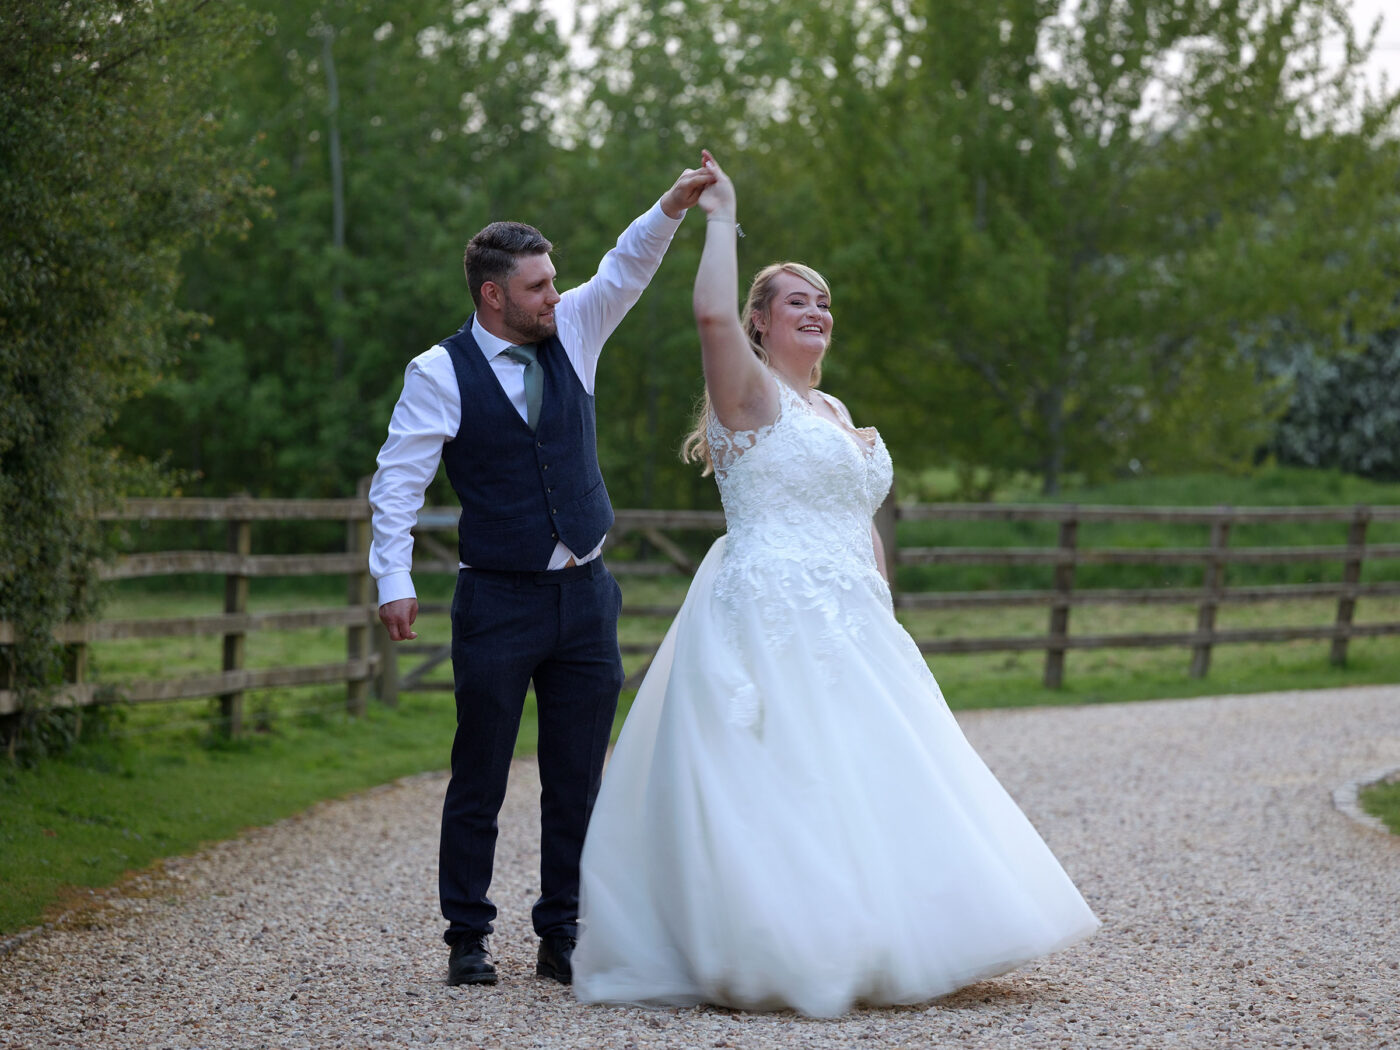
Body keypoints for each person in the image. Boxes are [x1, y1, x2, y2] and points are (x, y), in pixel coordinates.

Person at [571, 152, 1100, 1017]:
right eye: (796, 300)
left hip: (853, 615)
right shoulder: (748, 396)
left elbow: (858, 519)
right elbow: (706, 309)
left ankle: (896, 935)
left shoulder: (835, 413)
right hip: (769, 609)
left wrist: (882, 606)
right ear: (760, 323)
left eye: (823, 301)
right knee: (787, 774)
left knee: (871, 770)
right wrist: (720, 218)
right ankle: (788, 946)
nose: (816, 310)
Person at [368, 159, 715, 989]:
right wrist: (394, 579)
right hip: (495, 599)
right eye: (538, 285)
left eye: (554, 280)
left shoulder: (577, 332)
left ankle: (562, 935)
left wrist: (670, 201)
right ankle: (468, 938)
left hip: (587, 597)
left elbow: (628, 263)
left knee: (576, 780)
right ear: (494, 295)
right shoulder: (438, 372)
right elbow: (398, 481)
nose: (555, 294)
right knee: (479, 773)